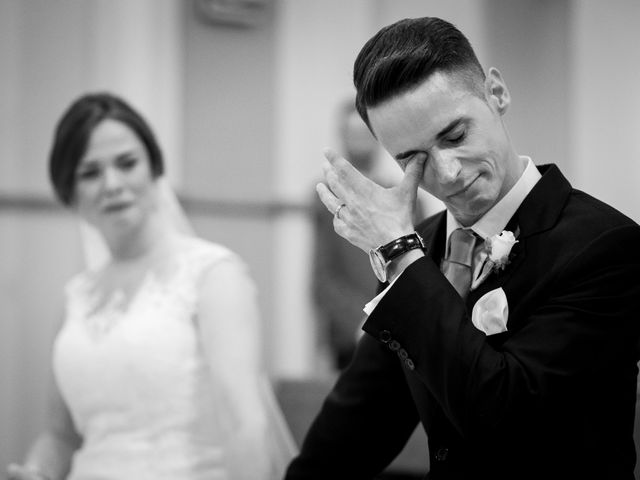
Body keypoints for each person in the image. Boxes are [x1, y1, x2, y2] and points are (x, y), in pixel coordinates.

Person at [285, 16, 640, 480]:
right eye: (412, 159)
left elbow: (508, 419)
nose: (447, 173)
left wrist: (401, 255)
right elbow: (361, 419)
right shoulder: (419, 248)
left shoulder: (605, 246)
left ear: (496, 94)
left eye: (455, 136)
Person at [6, 92, 296, 480]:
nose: (112, 184)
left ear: (154, 170)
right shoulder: (76, 297)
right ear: (68, 192)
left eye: (127, 164)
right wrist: (37, 471)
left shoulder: (213, 275)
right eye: (89, 173)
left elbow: (244, 425)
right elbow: (60, 434)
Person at [311, 98, 427, 371]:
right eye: (354, 134)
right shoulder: (325, 201)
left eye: (366, 134)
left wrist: (391, 319)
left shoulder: (407, 199)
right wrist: (360, 322)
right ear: (343, 136)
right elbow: (322, 279)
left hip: (403, 333)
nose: (360, 142)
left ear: (377, 138)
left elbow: (420, 270)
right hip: (350, 338)